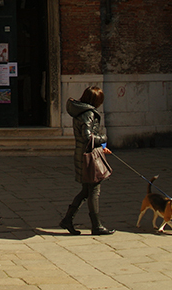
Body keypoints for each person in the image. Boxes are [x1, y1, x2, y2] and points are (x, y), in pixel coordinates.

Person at [60, 86, 115, 235]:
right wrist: (103, 139)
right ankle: (96, 226)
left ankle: (67, 220)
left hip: (83, 154)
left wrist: (102, 146)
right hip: (88, 157)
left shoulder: (81, 111)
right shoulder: (88, 113)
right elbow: (88, 136)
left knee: (86, 190)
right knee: (94, 190)